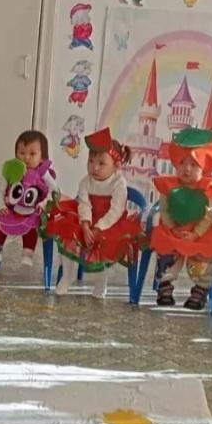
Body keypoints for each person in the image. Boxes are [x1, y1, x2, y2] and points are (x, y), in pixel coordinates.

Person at [42, 127, 142, 298]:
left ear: (116, 166)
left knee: (104, 243)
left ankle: (101, 282)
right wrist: (86, 225)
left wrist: (98, 228)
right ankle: (67, 276)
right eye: (91, 161)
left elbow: (116, 211)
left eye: (102, 163)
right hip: (87, 219)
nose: (94, 167)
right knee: (69, 233)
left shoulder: (118, 184)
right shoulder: (85, 182)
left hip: (110, 223)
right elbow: (84, 204)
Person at [151, 127, 212, 311]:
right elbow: (164, 210)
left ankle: (201, 289)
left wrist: (196, 233)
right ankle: (165, 284)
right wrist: (171, 226)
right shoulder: (168, 186)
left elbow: (208, 215)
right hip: (174, 228)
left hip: (200, 231)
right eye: (183, 163)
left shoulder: (208, 188)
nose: (187, 168)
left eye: (194, 165)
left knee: (207, 251)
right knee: (166, 247)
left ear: (203, 168)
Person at [0, 130, 56, 270]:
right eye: (21, 153)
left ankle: (28, 253)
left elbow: (54, 191)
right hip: (11, 208)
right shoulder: (12, 170)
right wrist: (0, 205)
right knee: (0, 221)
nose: (26, 158)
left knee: (31, 227)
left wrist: (44, 203)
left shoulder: (43, 174)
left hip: (32, 210)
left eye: (32, 154)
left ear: (42, 158)